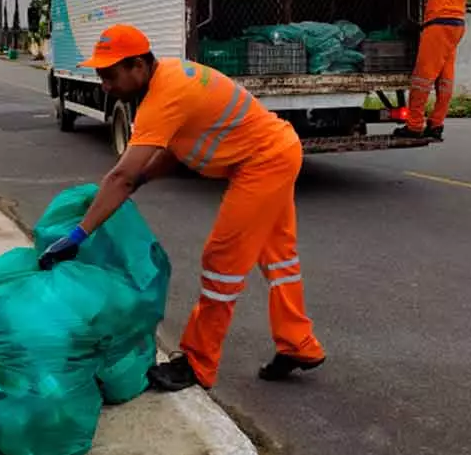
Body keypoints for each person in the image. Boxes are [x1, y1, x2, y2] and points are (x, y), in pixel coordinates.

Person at [38, 24, 325, 391]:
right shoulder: (169, 79)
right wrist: (140, 181)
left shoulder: (164, 94)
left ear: (138, 66)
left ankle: (197, 363)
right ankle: (299, 344)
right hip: (275, 151)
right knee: (279, 258)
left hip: (263, 162)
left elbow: (121, 176)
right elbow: (172, 150)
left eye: (110, 75)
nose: (106, 86)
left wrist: (77, 235)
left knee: (222, 262)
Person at [393, 0, 468, 141]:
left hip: (440, 24)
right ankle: (436, 124)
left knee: (422, 77)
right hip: (454, 25)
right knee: (445, 79)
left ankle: (415, 125)